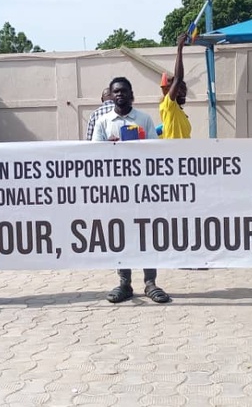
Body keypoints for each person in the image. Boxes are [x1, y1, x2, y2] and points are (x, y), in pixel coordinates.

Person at [92, 76, 170, 304]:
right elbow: (94, 154)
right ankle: (124, 282)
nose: (120, 94)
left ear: (131, 94)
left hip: (142, 189)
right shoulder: (103, 121)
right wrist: (111, 147)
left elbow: (155, 151)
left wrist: (140, 145)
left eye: (124, 91)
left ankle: (150, 282)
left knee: (147, 233)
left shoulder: (144, 119)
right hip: (116, 191)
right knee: (121, 234)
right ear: (111, 95)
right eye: (116, 91)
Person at [159, 33, 191, 139]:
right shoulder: (168, 105)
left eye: (184, 89)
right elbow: (178, 78)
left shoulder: (179, 112)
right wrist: (179, 49)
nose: (183, 92)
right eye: (178, 88)